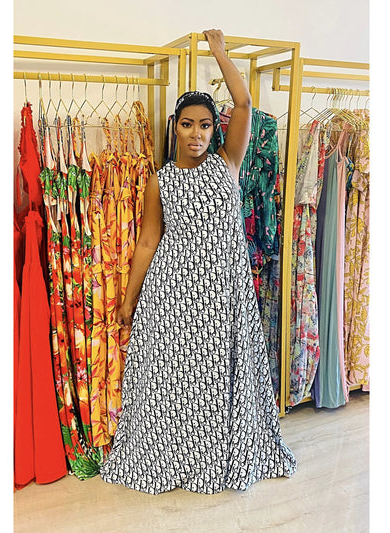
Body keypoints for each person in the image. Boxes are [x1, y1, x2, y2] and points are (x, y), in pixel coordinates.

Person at [100, 29, 297, 495]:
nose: (196, 133)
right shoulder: (161, 181)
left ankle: (218, 455)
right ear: (175, 127)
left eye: (205, 125)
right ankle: (176, 456)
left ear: (215, 129)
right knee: (175, 384)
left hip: (224, 295)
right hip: (173, 296)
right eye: (187, 124)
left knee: (217, 380)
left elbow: (244, 104)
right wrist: (129, 300)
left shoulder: (228, 163)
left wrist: (220, 54)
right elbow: (148, 243)